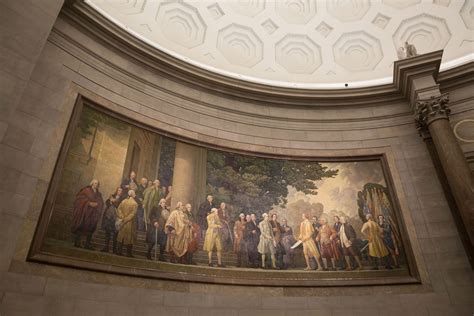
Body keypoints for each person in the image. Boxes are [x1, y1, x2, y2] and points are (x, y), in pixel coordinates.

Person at [71, 179, 104, 250]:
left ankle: (87, 244)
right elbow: (79, 199)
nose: (96, 185)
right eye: (95, 183)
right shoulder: (86, 190)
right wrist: (88, 203)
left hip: (93, 214)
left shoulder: (99, 194)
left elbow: (101, 202)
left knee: (91, 229)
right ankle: (77, 242)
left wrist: (97, 204)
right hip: (85, 212)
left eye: (97, 184)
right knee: (81, 226)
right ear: (92, 184)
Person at [116, 190, 138, 257]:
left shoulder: (123, 201)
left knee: (121, 237)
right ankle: (128, 253)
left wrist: (122, 217)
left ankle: (119, 251)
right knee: (130, 238)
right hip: (130, 223)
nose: (135, 195)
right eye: (134, 193)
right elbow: (133, 214)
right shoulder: (135, 203)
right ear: (132, 194)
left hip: (122, 221)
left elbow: (119, 210)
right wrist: (126, 219)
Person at [100, 187, 122, 253]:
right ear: (116, 191)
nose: (119, 191)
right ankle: (106, 247)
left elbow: (120, 207)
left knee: (115, 235)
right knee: (107, 234)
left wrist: (114, 202)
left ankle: (114, 249)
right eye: (118, 190)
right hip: (109, 217)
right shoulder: (112, 196)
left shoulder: (122, 199)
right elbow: (107, 203)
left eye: (121, 191)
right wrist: (110, 201)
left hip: (115, 218)